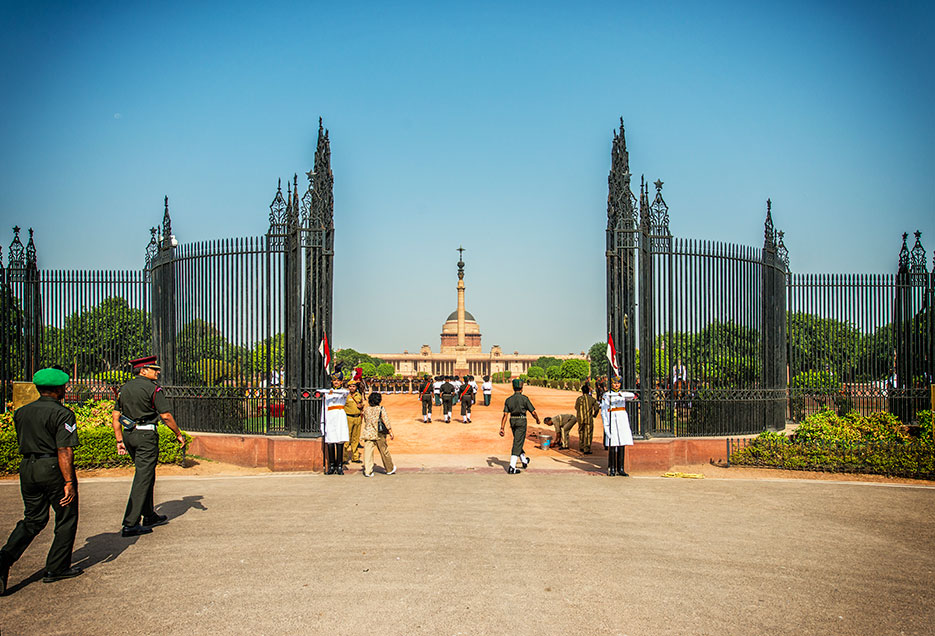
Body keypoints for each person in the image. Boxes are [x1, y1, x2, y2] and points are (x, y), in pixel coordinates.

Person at [0, 368, 81, 593]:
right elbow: (64, 450)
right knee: (66, 516)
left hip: (28, 467)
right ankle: (56, 567)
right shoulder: (63, 413)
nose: (65, 389)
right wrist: (68, 482)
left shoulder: (22, 412)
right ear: (57, 389)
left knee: (33, 519)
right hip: (52, 468)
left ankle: (4, 559)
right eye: (63, 386)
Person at [111, 356, 185, 537]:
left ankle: (149, 515)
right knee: (143, 477)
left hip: (129, 435)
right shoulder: (153, 389)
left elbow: (115, 416)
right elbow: (166, 416)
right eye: (154, 369)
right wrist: (178, 433)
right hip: (145, 435)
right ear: (143, 371)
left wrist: (119, 440)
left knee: (146, 473)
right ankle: (130, 523)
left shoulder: (124, 388)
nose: (157, 372)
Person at [499, 378, 540, 474]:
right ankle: (512, 467)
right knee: (517, 442)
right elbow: (533, 412)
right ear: (521, 388)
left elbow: (505, 414)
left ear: (513, 388)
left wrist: (502, 427)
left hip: (512, 420)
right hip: (521, 420)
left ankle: (524, 460)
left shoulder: (508, 400)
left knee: (518, 440)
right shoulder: (524, 399)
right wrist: (537, 419)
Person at [599, 375, 636, 476]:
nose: (616, 385)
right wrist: (606, 425)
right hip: (612, 418)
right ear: (611, 383)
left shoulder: (622, 394)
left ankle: (621, 468)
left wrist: (620, 395)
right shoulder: (607, 395)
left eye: (618, 383)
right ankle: (612, 468)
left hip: (622, 418)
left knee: (621, 444)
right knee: (613, 444)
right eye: (614, 383)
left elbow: (632, 396)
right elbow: (603, 410)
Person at [317, 370, 350, 474]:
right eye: (334, 380)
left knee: (340, 442)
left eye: (338, 380)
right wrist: (322, 422)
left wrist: (331, 392)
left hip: (340, 416)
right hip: (330, 417)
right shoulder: (327, 393)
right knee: (331, 442)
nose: (336, 382)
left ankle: (339, 466)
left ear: (341, 382)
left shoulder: (343, 392)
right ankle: (332, 466)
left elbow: (345, 393)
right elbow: (324, 407)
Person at [360, 392, 396, 477]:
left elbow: (365, 420)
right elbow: (385, 420)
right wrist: (390, 431)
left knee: (368, 452)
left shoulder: (366, 409)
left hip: (368, 432)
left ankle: (368, 471)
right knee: (384, 451)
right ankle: (389, 468)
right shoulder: (381, 409)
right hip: (379, 433)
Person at [343, 379, 365, 464]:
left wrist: (361, 406)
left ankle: (355, 457)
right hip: (348, 417)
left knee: (355, 438)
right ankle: (344, 457)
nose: (352, 388)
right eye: (350, 386)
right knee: (346, 438)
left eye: (353, 386)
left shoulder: (358, 395)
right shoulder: (346, 396)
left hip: (357, 417)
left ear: (356, 387)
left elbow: (362, 404)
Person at [574, 383, 600, 454]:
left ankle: (581, 446)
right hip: (588, 418)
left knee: (581, 432)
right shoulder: (591, 399)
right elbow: (597, 408)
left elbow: (576, 407)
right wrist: (594, 414)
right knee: (588, 433)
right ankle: (586, 449)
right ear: (588, 391)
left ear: (582, 391)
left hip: (580, 418)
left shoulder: (579, 399)